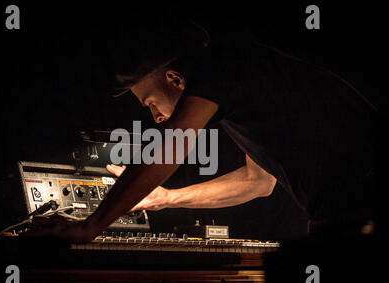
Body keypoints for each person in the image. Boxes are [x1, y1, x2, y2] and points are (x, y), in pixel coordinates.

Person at [31, 20, 378, 241]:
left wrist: (91, 225)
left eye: (151, 102)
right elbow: (257, 182)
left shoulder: (222, 69)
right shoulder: (243, 91)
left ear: (175, 79)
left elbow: (170, 148)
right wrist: (167, 198)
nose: (155, 116)